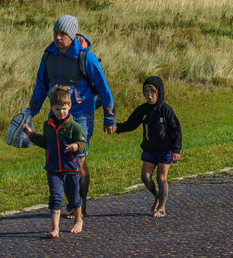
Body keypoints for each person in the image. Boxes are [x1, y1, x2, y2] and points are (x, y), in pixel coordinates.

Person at [25, 15, 116, 226]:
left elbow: (103, 88)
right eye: (55, 33)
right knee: (57, 158)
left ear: (72, 35)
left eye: (62, 34)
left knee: (78, 159)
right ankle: (70, 201)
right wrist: (31, 110)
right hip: (55, 114)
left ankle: (79, 204)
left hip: (81, 114)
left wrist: (109, 118)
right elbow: (41, 84)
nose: (57, 37)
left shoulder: (86, 57)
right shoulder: (48, 55)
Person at [112, 75, 183, 216]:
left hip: (165, 150)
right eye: (147, 92)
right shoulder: (143, 110)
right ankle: (157, 195)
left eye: (153, 92)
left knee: (161, 178)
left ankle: (162, 207)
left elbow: (177, 130)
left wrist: (176, 150)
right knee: (145, 177)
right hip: (150, 149)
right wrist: (117, 128)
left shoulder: (166, 110)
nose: (149, 96)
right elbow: (131, 124)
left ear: (159, 92)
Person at [21, 85, 86, 238]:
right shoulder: (47, 126)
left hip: (71, 168)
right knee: (55, 197)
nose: (61, 112)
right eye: (57, 109)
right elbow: (45, 142)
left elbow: (84, 145)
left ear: (69, 106)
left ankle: (78, 219)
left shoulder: (74, 127)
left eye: (64, 108)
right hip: (53, 169)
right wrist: (30, 135)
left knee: (73, 197)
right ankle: (55, 228)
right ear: (51, 108)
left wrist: (76, 145)